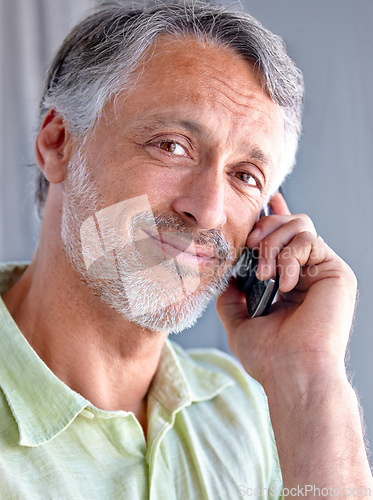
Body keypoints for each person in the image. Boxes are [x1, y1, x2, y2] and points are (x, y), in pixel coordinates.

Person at [0, 0, 371, 497]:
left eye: (244, 176)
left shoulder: (244, 411)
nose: (210, 211)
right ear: (58, 143)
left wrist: (309, 379)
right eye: (172, 145)